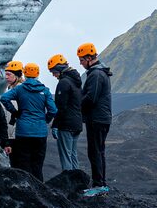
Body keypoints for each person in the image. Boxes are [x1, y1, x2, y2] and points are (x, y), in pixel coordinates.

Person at [1, 62, 56, 180]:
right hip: (40, 132)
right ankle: (41, 192)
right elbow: (53, 110)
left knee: (24, 165)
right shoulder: (45, 90)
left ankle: (26, 191)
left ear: (24, 74)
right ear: (37, 74)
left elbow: (4, 98)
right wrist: (45, 120)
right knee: (37, 165)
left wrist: (15, 112)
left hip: (23, 132)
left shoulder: (20, 89)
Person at [77, 42, 113, 193]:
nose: (80, 63)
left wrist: (77, 106)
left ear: (89, 58)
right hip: (101, 117)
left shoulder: (96, 74)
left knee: (95, 151)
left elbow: (91, 98)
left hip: (97, 118)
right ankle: (101, 184)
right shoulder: (100, 72)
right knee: (99, 150)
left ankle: (98, 185)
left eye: (82, 60)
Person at [48, 54, 84, 174]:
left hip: (66, 124)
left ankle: (69, 182)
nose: (53, 75)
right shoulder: (76, 81)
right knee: (73, 154)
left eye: (53, 71)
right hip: (77, 123)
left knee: (66, 156)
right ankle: (78, 181)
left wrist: (55, 125)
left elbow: (61, 107)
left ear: (59, 69)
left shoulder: (64, 83)